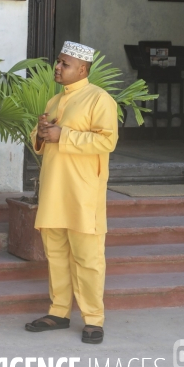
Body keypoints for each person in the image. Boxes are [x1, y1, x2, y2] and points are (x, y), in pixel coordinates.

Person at [25, 41, 118, 344]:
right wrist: (40, 134)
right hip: (54, 191)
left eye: (64, 64)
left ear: (82, 69)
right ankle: (59, 311)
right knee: (57, 255)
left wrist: (62, 134)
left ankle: (93, 319)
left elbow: (106, 141)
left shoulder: (99, 100)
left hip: (83, 193)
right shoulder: (54, 101)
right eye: (58, 62)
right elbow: (42, 140)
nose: (57, 67)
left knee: (89, 258)